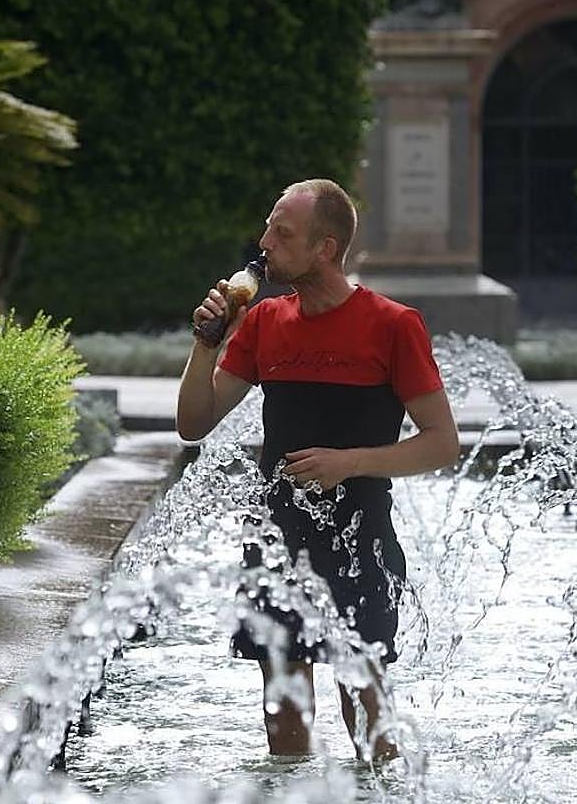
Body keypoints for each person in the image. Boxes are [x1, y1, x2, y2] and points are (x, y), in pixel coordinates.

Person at [176, 179, 460, 760]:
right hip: (278, 543)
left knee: (367, 723)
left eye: (282, 234)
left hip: (362, 541)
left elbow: (442, 444)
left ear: (324, 248)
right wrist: (206, 345)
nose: (264, 244)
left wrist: (349, 463)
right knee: (283, 726)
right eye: (268, 229)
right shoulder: (262, 322)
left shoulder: (393, 324)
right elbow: (193, 423)